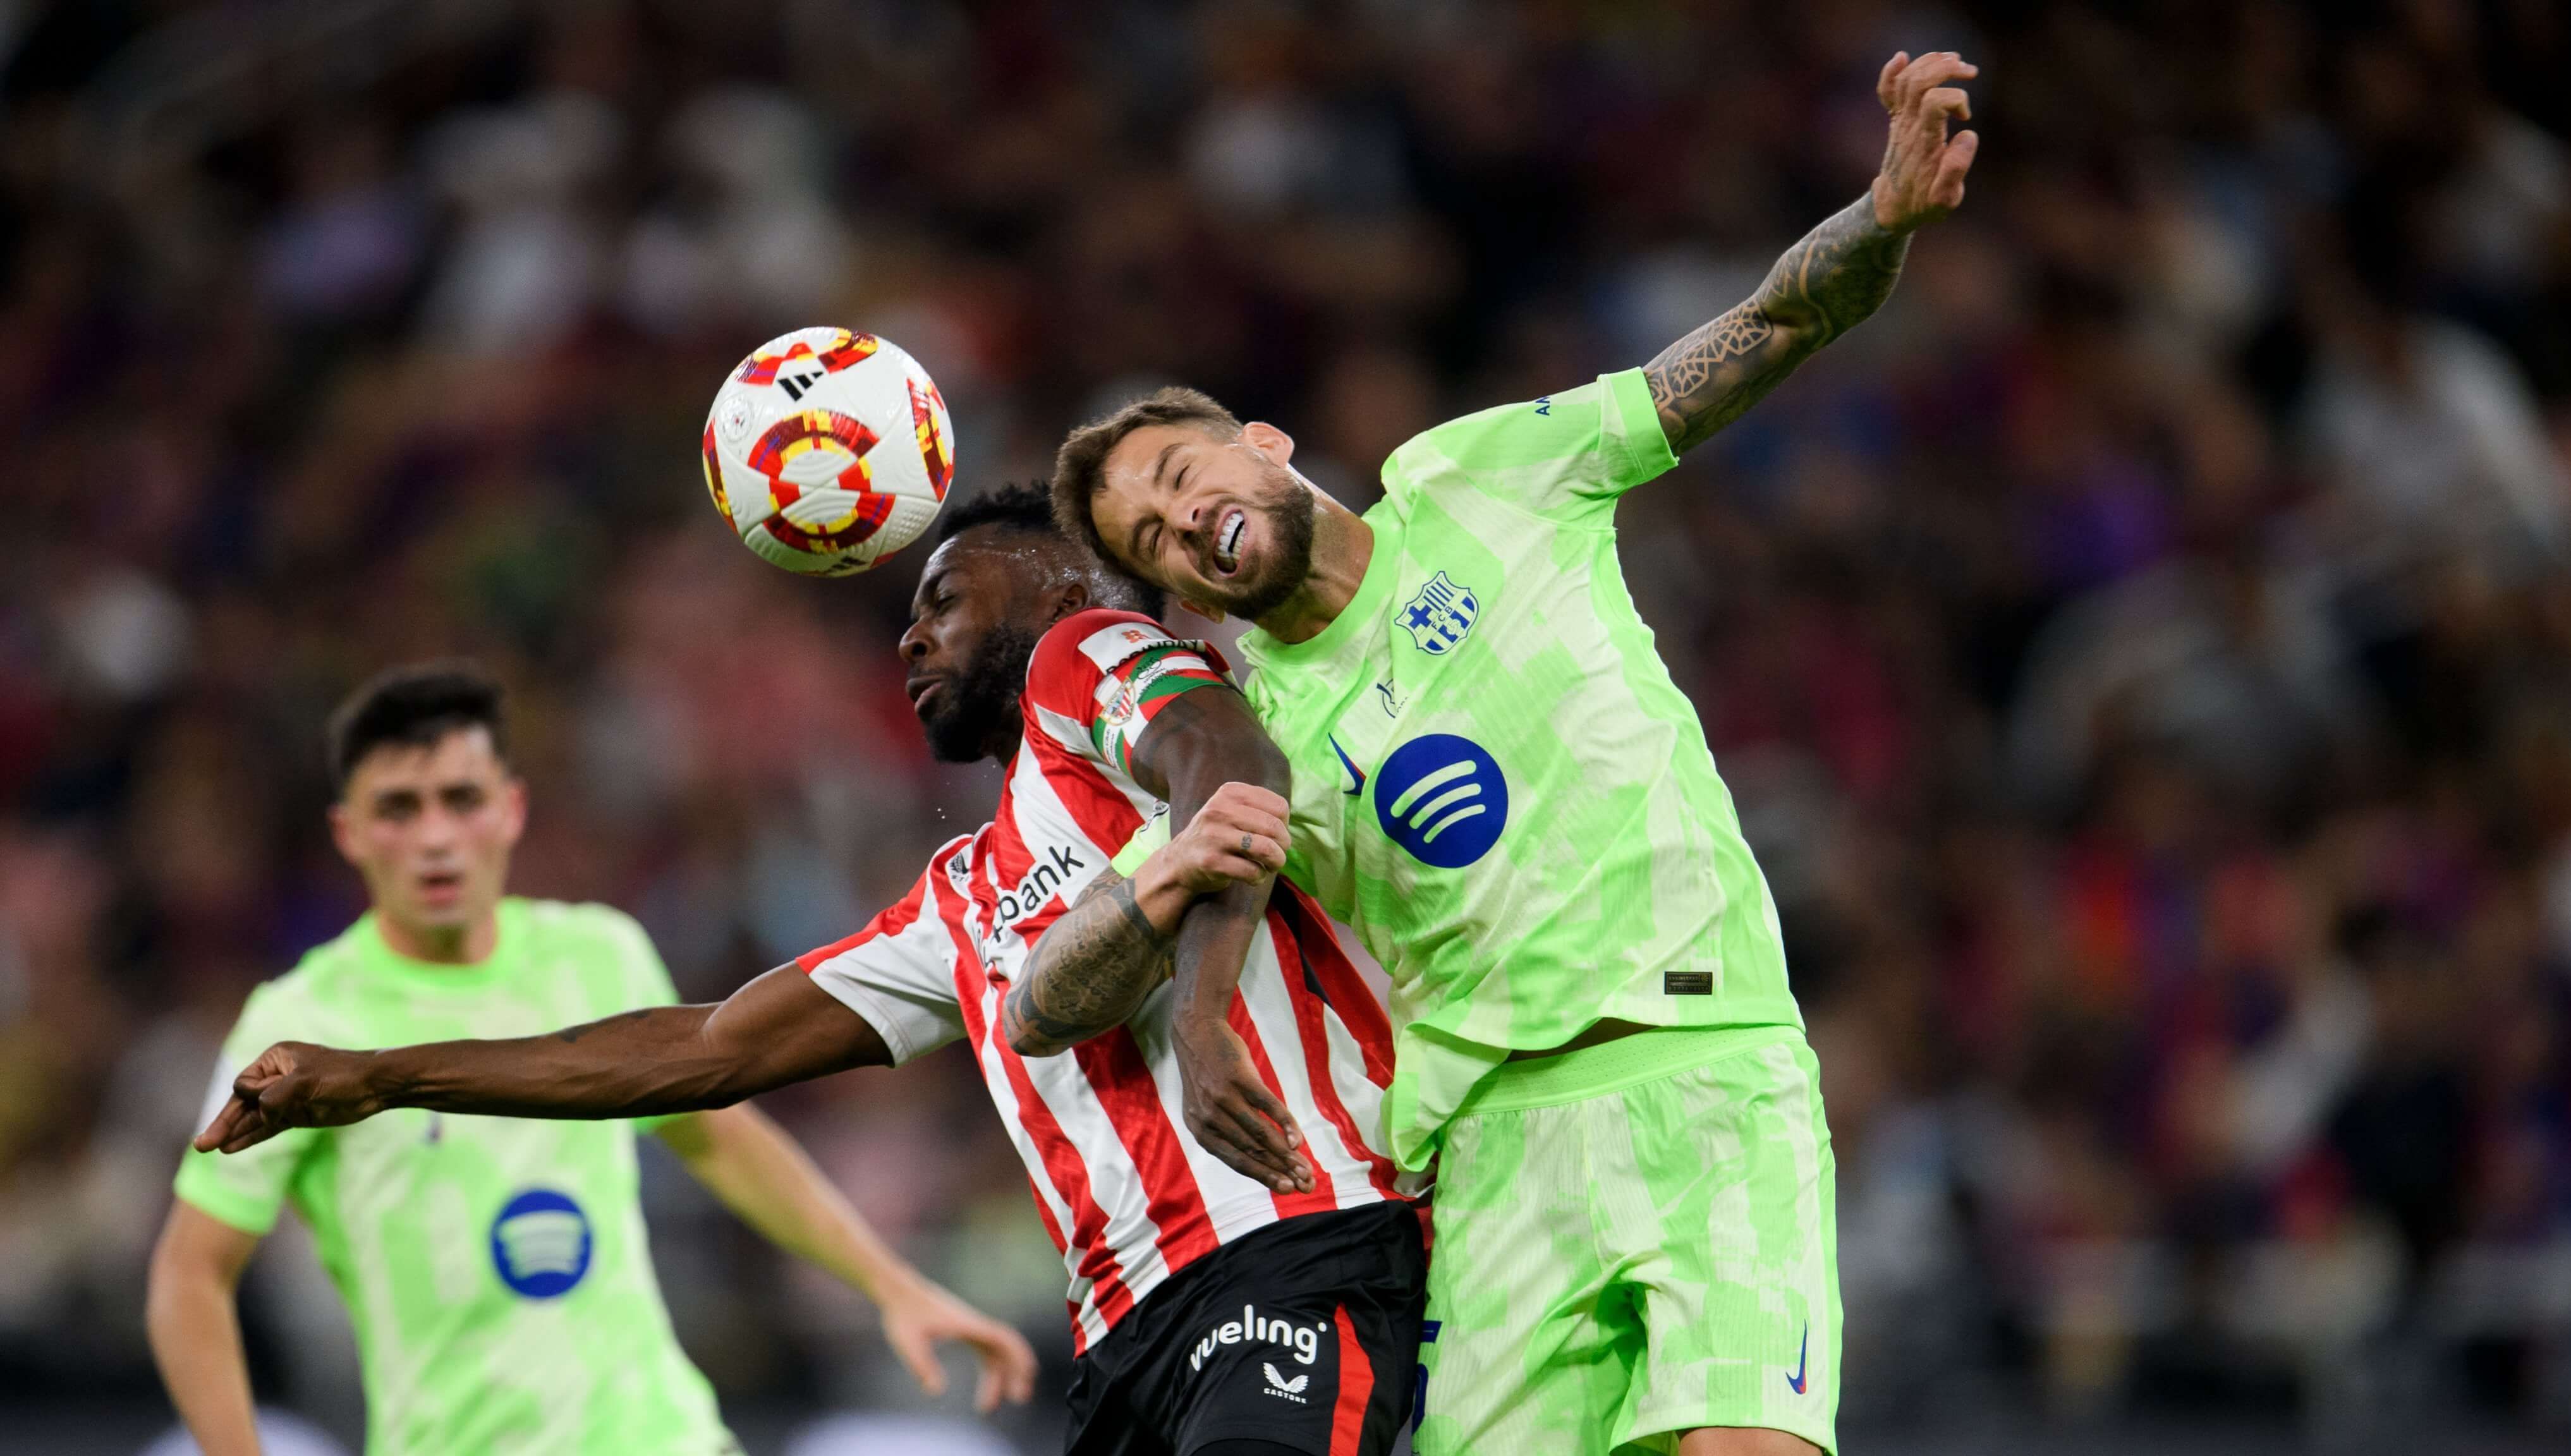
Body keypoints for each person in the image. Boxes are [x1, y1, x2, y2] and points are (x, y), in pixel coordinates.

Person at [1046, 50, 1982, 1456]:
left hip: (1707, 1070)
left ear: (1262, 441)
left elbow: (1768, 327)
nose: (1184, 526)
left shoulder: (1479, 476)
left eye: (1182, 481)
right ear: (1174, 594)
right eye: (1152, 544)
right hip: (1491, 1167)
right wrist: (1169, 918)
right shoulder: (1251, 743)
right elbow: (1042, 1003)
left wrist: (1885, 217)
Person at [192, 485, 1431, 1456]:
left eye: (944, 594)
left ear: (1059, 578)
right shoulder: (959, 902)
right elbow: (709, 1049)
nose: (910, 631)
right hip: (1122, 1331)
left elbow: (1227, 758)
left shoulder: (1086, 658)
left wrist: (1205, 1017)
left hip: (1295, 1240)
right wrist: (382, 1077)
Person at [147, 663, 1036, 1456]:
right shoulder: (303, 1020)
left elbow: (721, 1140)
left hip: (660, 1436)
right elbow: (192, 1274)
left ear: (511, 810)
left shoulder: (599, 955)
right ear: (348, 832)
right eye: (398, 808)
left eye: (461, 799)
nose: (435, 837)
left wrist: (890, 1285)